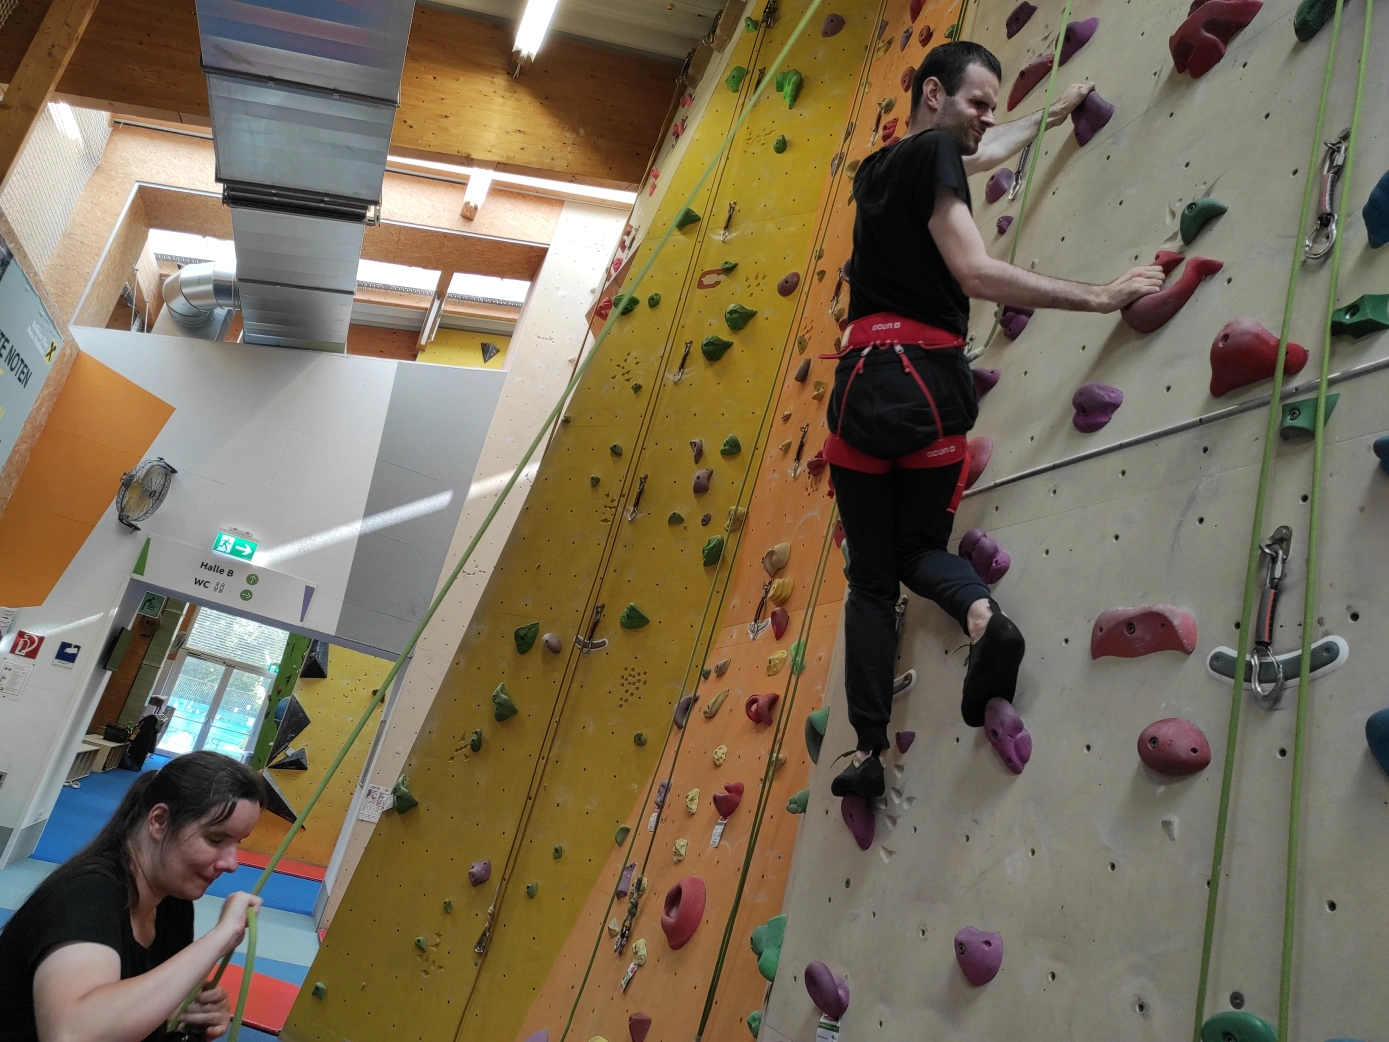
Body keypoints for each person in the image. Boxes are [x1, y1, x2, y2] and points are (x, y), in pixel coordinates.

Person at [826, 41, 1164, 799]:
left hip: (856, 396)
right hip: (926, 388)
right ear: (933, 94)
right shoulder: (938, 159)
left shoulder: (879, 170)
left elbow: (989, 145)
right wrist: (1102, 295)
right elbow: (974, 271)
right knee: (921, 548)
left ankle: (868, 754)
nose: (986, 118)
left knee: (874, 581)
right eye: (977, 102)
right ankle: (982, 616)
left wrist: (1051, 112)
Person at [0, 751, 266, 1042]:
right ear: (159, 820)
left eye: (237, 843)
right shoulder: (88, 895)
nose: (232, 863)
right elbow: (73, 1034)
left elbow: (130, 999)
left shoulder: (173, 904)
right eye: (216, 839)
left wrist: (184, 1007)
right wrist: (220, 938)